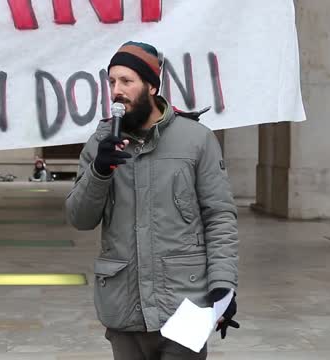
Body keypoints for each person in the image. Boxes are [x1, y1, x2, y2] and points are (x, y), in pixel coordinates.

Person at [65, 41, 239, 359]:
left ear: (151, 86)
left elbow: (219, 216)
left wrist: (223, 284)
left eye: (127, 81)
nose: (117, 90)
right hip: (123, 308)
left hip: (186, 304)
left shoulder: (197, 139)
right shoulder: (100, 144)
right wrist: (99, 171)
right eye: (112, 81)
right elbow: (79, 218)